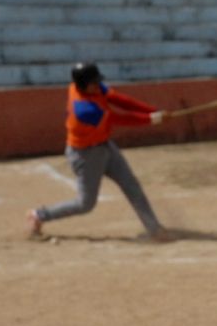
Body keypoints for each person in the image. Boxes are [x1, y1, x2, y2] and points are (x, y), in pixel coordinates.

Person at [27, 62, 172, 242]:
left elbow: (119, 100)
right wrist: (152, 120)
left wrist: (153, 111)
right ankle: (40, 215)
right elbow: (119, 118)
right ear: (83, 85)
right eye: (94, 83)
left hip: (104, 145)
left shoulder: (89, 87)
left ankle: (154, 229)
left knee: (131, 185)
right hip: (86, 156)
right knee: (85, 204)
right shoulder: (84, 109)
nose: (98, 86)